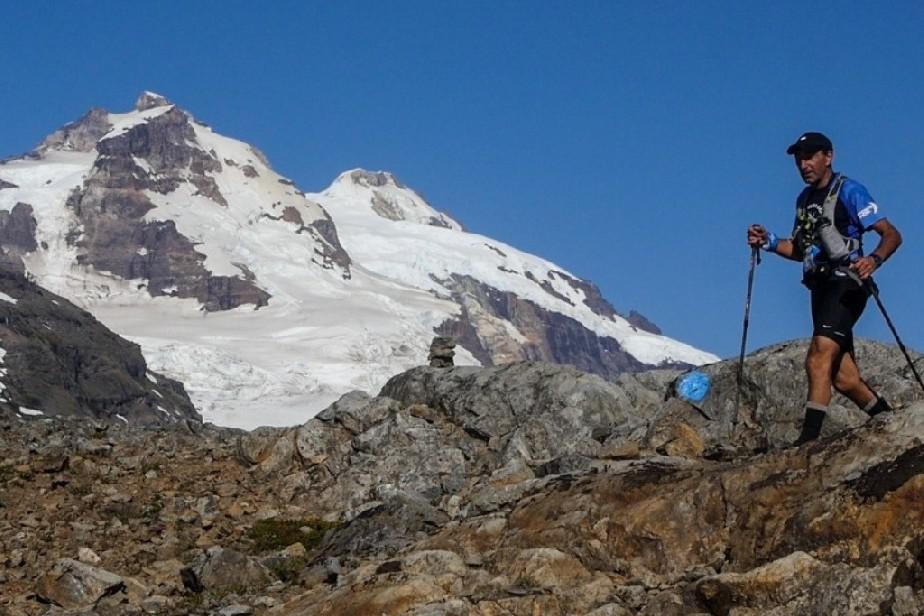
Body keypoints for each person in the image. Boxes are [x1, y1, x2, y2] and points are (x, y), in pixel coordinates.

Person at [748, 132, 902, 446]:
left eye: (810, 156)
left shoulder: (849, 191)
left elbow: (891, 234)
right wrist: (769, 241)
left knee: (818, 358)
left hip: (847, 284)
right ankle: (892, 422)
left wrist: (874, 260)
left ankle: (808, 441)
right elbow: (800, 249)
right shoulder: (804, 201)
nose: (804, 164)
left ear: (828, 157)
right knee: (844, 379)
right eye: (799, 159)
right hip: (820, 288)